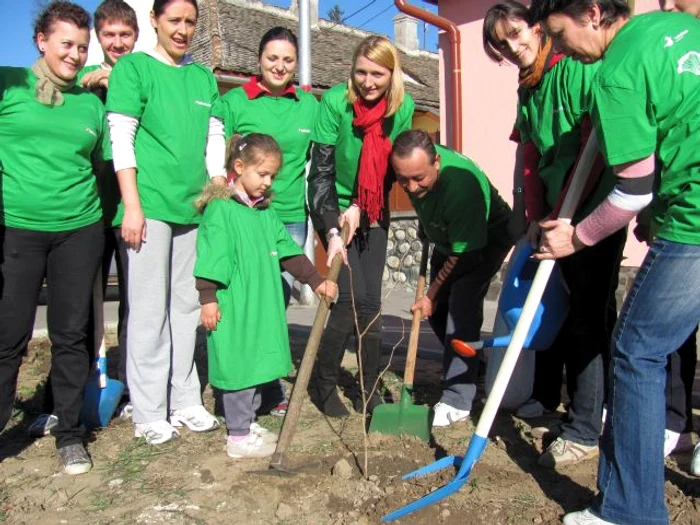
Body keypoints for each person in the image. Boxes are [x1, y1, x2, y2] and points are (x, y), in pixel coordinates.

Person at [529, 1, 700, 524]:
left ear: (594, 13)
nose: (557, 49)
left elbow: (631, 192)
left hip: (695, 220)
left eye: (558, 34)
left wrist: (574, 239)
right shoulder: (678, 27)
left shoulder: (618, 70)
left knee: (636, 351)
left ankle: (631, 512)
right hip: (684, 204)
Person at [483, 1, 626, 469]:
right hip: (556, 217)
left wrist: (568, 216)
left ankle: (586, 430)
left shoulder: (574, 69)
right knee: (579, 315)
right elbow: (529, 152)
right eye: (502, 43)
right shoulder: (529, 87)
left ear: (536, 26)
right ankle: (586, 411)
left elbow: (594, 143)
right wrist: (536, 215)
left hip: (589, 214)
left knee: (589, 318)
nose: (514, 46)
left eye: (517, 32)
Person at [106, 0, 225, 445]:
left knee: (186, 310)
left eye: (190, 22)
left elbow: (215, 135)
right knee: (149, 311)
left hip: (192, 210)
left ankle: (185, 399)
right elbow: (123, 136)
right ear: (153, 20)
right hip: (150, 207)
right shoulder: (134, 69)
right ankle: (150, 409)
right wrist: (132, 206)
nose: (182, 29)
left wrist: (216, 185)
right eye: (173, 20)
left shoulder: (202, 76)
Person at [0, 1, 111, 474]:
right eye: (66, 43)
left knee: (72, 334)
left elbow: (104, 165)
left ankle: (69, 433)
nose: (75, 54)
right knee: (8, 337)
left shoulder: (92, 103)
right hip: (16, 228)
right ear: (41, 41)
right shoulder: (9, 85)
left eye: (82, 47)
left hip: (78, 230)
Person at [27, 0, 139, 439]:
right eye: (108, 35)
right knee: (77, 311)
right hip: (91, 211)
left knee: (134, 304)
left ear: (135, 37)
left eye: (123, 35)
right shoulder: (83, 84)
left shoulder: (140, 78)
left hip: (132, 210)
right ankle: (62, 397)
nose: (116, 43)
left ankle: (127, 389)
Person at [194, 133, 337, 459]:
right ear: (239, 167)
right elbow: (211, 256)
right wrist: (208, 298)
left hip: (260, 303)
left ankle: (247, 422)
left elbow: (288, 251)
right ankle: (239, 438)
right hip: (235, 303)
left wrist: (316, 280)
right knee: (239, 364)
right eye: (262, 174)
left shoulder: (263, 212)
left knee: (257, 360)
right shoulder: (221, 209)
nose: (268, 181)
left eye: (272, 175)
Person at [308, 35, 414, 418]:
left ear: (392, 74)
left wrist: (360, 207)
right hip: (331, 206)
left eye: (378, 74)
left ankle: (369, 391)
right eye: (361, 72)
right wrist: (333, 231)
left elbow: (389, 170)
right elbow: (319, 173)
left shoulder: (402, 107)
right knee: (349, 298)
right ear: (352, 70)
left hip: (372, 208)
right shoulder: (335, 101)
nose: (368, 82)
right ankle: (322, 385)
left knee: (371, 302)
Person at [218, 26, 319, 418]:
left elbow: (325, 157)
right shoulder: (235, 102)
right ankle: (241, 384)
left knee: (275, 306)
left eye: (288, 60)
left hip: (290, 218)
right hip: (245, 220)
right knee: (247, 305)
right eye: (272, 58)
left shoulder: (308, 106)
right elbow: (217, 155)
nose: (280, 66)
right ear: (259, 59)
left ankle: (268, 384)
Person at [391, 130, 513, 427]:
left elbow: (465, 256)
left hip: (484, 240)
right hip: (451, 237)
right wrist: (427, 224)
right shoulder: (415, 169)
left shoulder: (460, 188)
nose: (411, 187)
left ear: (437, 161)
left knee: (461, 301)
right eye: (403, 179)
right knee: (439, 312)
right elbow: (424, 196)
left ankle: (457, 397)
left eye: (418, 178)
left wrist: (430, 295)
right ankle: (472, 362)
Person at [658, 0, 699, 469]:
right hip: (682, 210)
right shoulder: (675, 47)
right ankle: (674, 419)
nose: (671, 6)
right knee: (672, 331)